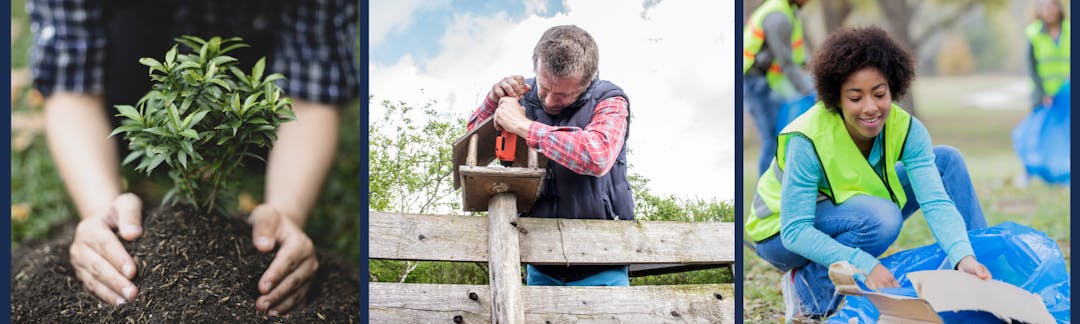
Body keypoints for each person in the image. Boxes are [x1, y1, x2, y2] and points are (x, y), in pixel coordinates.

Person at [29, 0, 357, 315]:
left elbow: (313, 88)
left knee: (251, 146)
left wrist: (287, 212)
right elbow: (69, 82)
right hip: (135, 76)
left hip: (245, 100)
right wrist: (102, 211)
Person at [743, 26, 993, 320]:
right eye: (855, 97)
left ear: (892, 88)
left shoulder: (906, 129)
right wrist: (864, 263)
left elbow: (935, 202)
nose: (870, 108)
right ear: (836, 98)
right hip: (780, 234)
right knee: (882, 219)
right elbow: (795, 231)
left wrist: (962, 254)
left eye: (879, 93)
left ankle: (982, 270)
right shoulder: (807, 138)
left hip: (847, 213)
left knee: (946, 160)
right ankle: (810, 290)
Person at [466, 25, 634, 286]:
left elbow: (596, 155)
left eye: (564, 94)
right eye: (544, 88)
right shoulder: (521, 93)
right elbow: (472, 145)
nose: (551, 101)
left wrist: (523, 126)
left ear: (589, 80)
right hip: (541, 261)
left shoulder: (610, 99)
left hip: (603, 259)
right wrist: (492, 102)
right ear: (536, 68)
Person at [743, 0, 815, 176]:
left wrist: (809, 65)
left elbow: (794, 55)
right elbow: (787, 64)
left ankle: (778, 184)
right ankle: (765, 196)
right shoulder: (778, 17)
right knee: (772, 140)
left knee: (779, 135)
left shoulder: (789, 11)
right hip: (754, 81)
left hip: (765, 81)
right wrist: (810, 93)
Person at [1026, 0, 1070, 110]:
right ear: (1039, 11)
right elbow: (1031, 68)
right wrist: (1042, 94)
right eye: (1044, 7)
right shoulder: (1033, 33)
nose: (1048, 10)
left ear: (1059, 7)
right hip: (1044, 98)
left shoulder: (1070, 30)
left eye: (1051, 6)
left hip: (1067, 95)